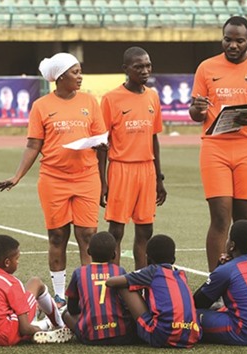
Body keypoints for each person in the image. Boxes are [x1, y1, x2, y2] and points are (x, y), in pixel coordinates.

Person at [0, 52, 107, 307]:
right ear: (60, 76)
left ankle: (87, 294)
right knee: (57, 236)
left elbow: (101, 141)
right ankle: (60, 296)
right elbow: (34, 144)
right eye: (75, 72)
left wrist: (104, 181)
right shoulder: (41, 106)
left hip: (87, 177)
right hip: (53, 179)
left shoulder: (90, 101)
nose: (80, 76)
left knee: (88, 236)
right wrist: (17, 176)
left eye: (79, 71)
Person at [188, 16, 247, 273]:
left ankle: (244, 278)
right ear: (222, 38)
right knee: (220, 218)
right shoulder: (206, 67)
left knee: (244, 220)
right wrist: (196, 108)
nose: (233, 45)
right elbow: (196, 113)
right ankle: (216, 280)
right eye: (228, 39)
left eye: (239, 40)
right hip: (215, 148)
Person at [98, 46, 167, 270]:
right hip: (121, 169)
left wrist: (159, 177)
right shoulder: (110, 99)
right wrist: (102, 181)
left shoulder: (153, 97)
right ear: (126, 69)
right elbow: (101, 145)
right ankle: (115, 282)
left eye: (148, 66)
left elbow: (154, 139)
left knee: (146, 229)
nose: (145, 71)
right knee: (116, 230)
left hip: (146, 170)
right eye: (139, 67)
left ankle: (141, 280)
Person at [0, 234, 74, 346]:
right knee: (35, 282)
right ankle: (57, 325)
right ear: (7, 262)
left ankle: (42, 319)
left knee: (17, 309)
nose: (18, 262)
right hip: (5, 336)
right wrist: (38, 330)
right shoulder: (11, 282)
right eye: (17, 258)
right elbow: (24, 329)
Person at [106, 234, 201, 348]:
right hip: (192, 334)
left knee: (124, 285)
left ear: (148, 258)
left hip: (162, 335)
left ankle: (126, 319)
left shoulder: (152, 271)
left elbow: (110, 282)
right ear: (173, 259)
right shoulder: (181, 274)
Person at [63, 231, 135, 345]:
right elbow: (127, 305)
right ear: (114, 255)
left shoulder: (79, 273)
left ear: (88, 251)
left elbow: (72, 309)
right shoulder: (119, 271)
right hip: (122, 335)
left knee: (65, 314)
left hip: (90, 337)